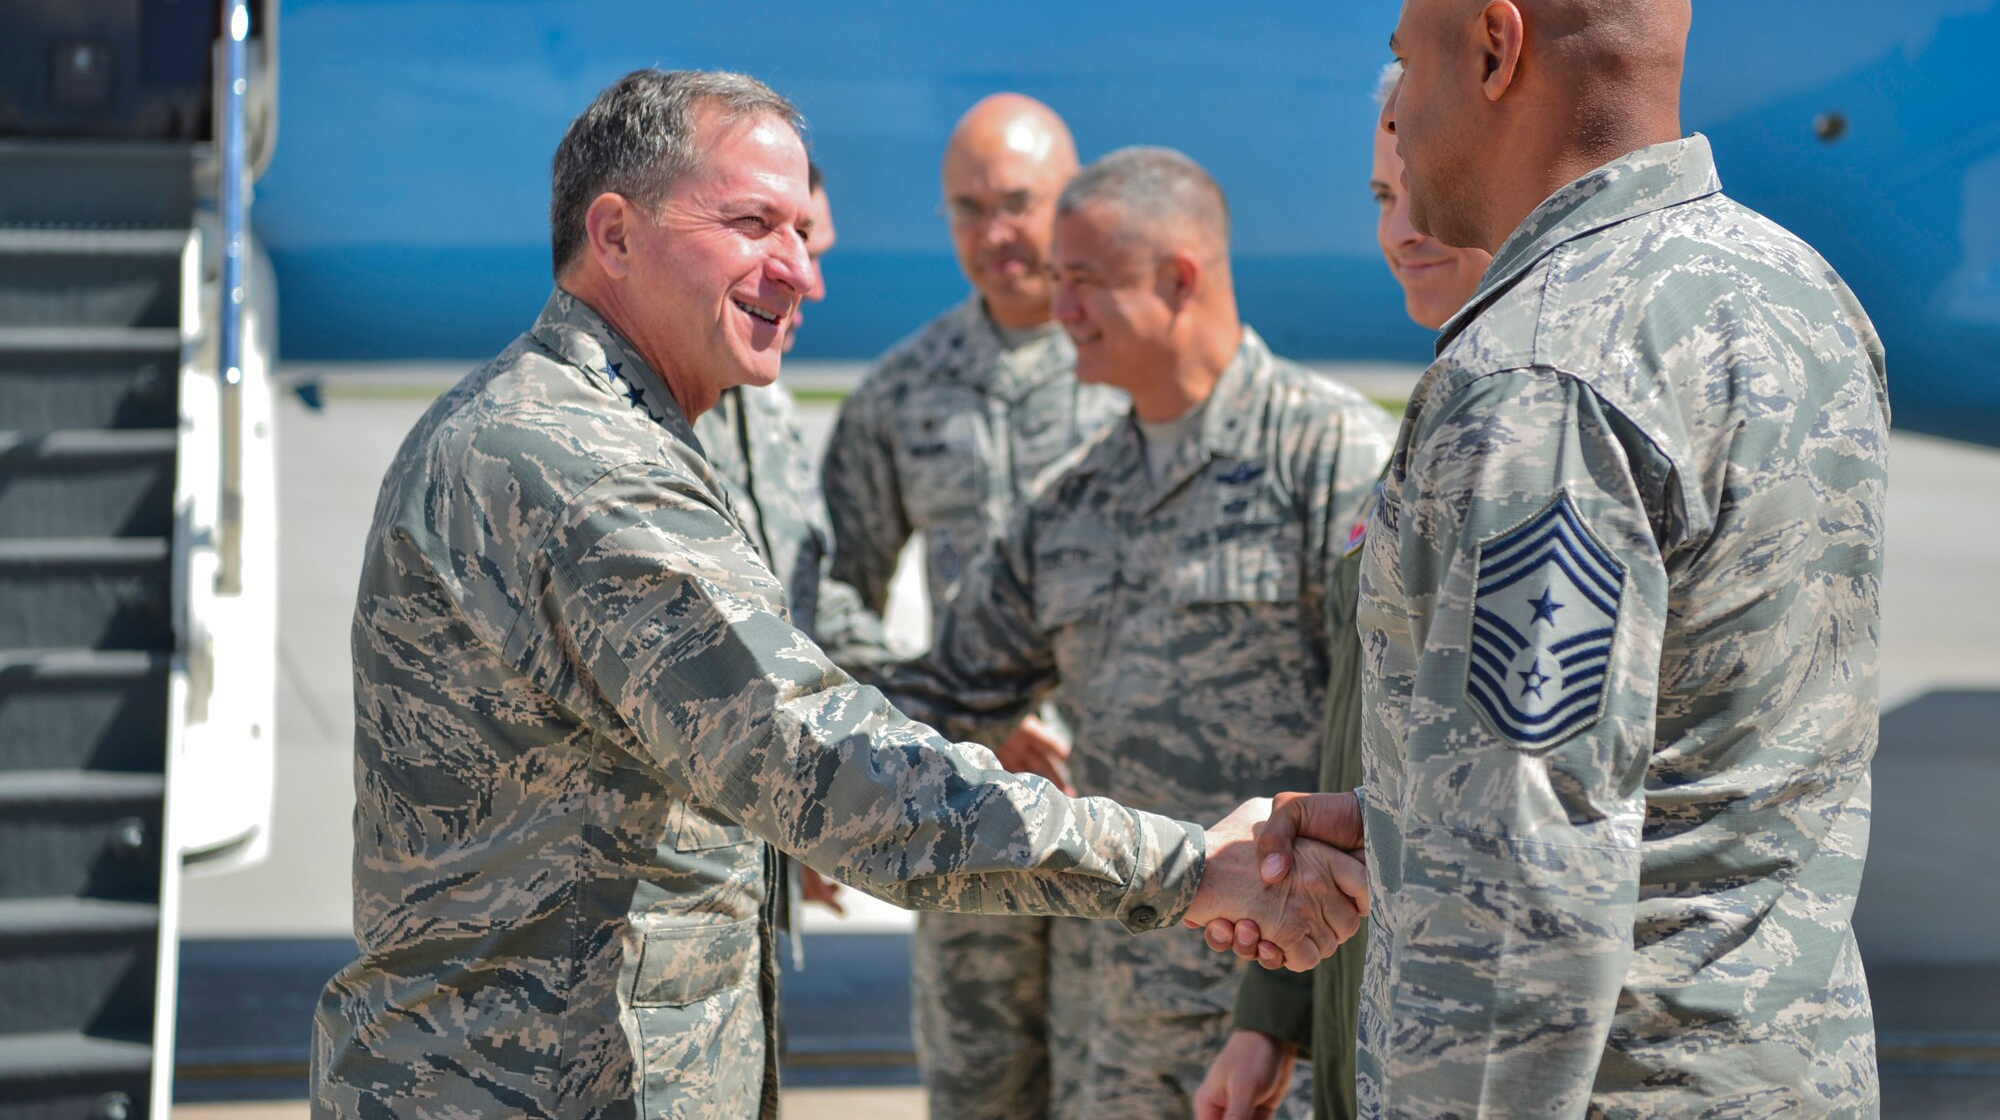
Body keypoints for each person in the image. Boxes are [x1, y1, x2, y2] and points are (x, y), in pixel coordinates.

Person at [308, 68, 1371, 1120]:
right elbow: (823, 759)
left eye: (800, 232)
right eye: (752, 223)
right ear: (616, 234)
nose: (801, 273)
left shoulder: (629, 432)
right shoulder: (573, 465)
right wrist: (1190, 865)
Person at [1226, 0, 1889, 1118]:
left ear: (1493, 50)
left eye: (1404, 62)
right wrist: (1413, 809)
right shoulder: (1798, 295)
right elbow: (1698, 743)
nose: (1396, 122)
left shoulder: (1538, 371)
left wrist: (1458, 835)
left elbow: (1523, 885)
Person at [873, 146, 1395, 1118]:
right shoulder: (1068, 499)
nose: (1056, 306)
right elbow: (942, 690)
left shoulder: (1331, 460)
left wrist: (1275, 1014)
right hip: (1107, 1029)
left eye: (1082, 282)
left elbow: (1385, 743)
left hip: (1281, 1020)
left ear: (1176, 279)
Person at [821, 93, 1125, 1120]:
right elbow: (822, 598)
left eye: (1017, 203)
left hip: (1127, 825)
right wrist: (942, 711)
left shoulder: (1143, 371)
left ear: (1072, 199)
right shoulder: (904, 392)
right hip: (969, 828)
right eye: (967, 209)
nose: (994, 233)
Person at [1198, 62, 1491, 1120]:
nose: (1401, 226)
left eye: (1425, 189)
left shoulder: (1527, 429)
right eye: (1380, 195)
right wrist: (1266, 1013)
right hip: (1363, 1016)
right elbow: (1347, 738)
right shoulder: (1432, 420)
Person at [692, 161, 887, 940]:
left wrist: (958, 711)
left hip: (745, 910)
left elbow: (804, 604)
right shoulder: (627, 435)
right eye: (788, 238)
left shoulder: (763, 400)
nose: (809, 280)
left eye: (816, 247)